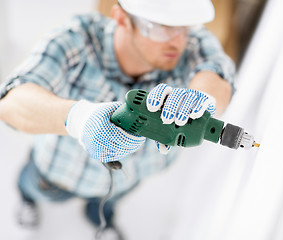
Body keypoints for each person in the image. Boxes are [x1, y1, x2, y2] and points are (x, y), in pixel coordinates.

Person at [0, 0, 235, 238]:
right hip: (58, 173)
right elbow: (11, 103)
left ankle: (101, 215)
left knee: (106, 204)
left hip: (125, 180)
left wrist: (203, 100)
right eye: (163, 27)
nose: (178, 41)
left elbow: (216, 72)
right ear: (122, 18)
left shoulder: (192, 42)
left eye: (185, 28)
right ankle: (26, 198)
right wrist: (80, 118)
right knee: (33, 186)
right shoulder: (75, 40)